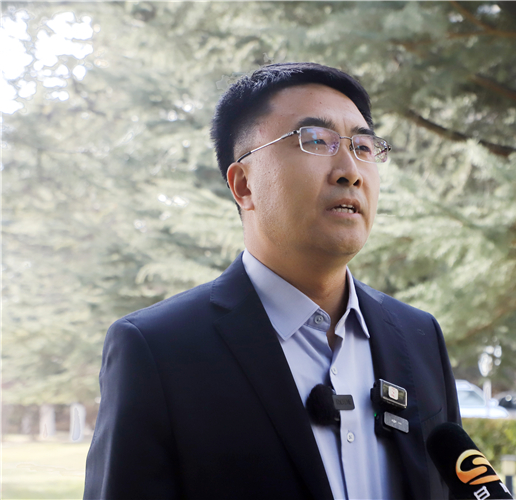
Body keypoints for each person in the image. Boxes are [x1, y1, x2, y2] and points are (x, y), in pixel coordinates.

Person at [83, 62, 460, 500]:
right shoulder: (158, 349)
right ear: (244, 185)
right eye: (315, 140)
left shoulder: (418, 335)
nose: (350, 171)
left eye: (362, 146)